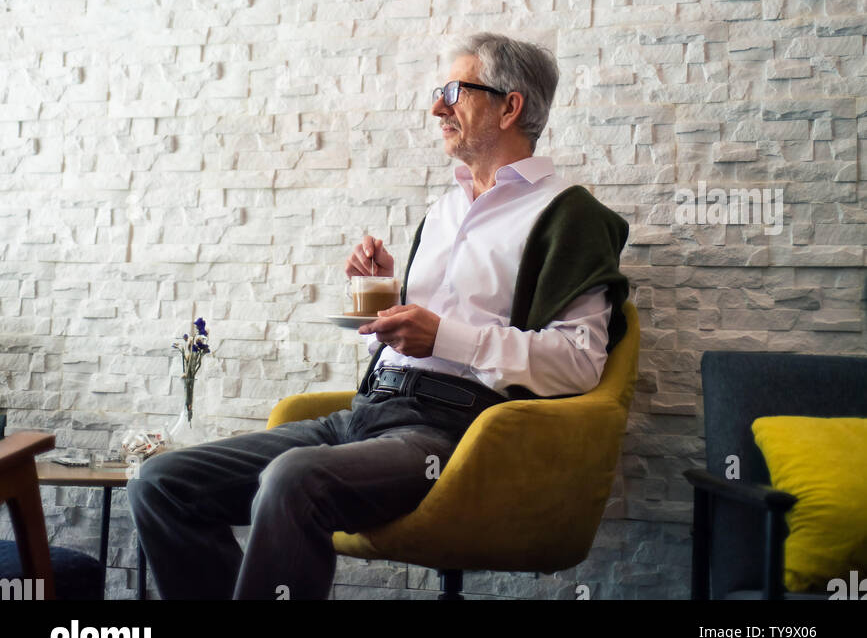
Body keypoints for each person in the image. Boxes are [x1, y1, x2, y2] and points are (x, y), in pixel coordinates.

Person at [127, 32, 629, 600]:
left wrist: (445, 336)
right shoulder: (444, 210)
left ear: (510, 106)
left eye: (454, 91)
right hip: (368, 412)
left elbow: (580, 362)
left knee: (291, 481)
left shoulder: (571, 216)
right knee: (160, 482)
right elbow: (420, 336)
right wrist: (386, 300)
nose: (437, 106)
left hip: (451, 437)